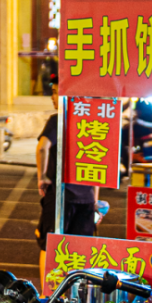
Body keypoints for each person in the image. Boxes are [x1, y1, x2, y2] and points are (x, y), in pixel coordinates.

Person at [36, 88, 97, 254]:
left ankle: (48, 281)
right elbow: (99, 164)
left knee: (50, 247)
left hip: (60, 196)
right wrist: (95, 199)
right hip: (86, 199)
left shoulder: (58, 120)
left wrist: (41, 177)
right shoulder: (95, 122)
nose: (52, 97)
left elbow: (43, 147)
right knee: (81, 250)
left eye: (56, 92)